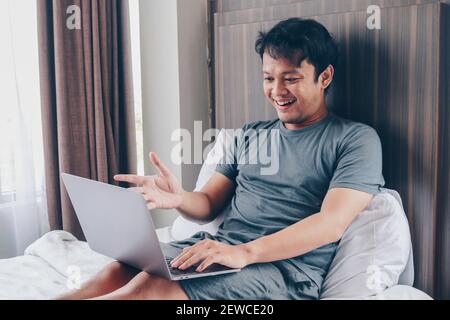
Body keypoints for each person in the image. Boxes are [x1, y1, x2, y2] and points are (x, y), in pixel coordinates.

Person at [59, 18, 384, 300]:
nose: (277, 90)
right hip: (218, 248)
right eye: (269, 78)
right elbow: (209, 205)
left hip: (285, 271)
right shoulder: (249, 135)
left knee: (148, 289)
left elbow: (331, 224)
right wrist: (179, 198)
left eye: (291, 78)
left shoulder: (355, 139)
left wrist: (244, 252)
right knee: (121, 269)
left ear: (324, 77)